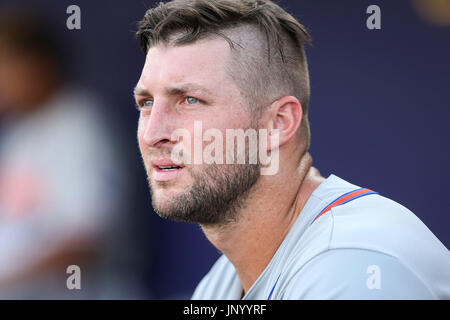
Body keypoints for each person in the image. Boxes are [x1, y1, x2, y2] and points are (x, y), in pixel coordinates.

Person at [133, 0, 450, 299]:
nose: (152, 133)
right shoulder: (224, 280)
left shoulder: (352, 262)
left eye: (190, 100)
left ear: (278, 123)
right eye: (146, 103)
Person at [0, 7, 136, 299]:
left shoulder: (82, 126)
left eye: (5, 64)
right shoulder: (18, 133)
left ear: (38, 64)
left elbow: (87, 241)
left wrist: (8, 277)